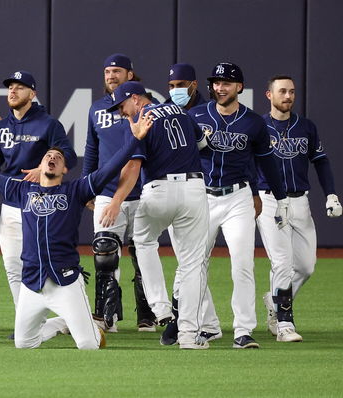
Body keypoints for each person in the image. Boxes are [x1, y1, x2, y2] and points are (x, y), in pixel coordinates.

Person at [0, 108, 154, 349]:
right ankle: (63, 322)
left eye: (58, 158)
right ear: (39, 165)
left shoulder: (76, 191)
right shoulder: (21, 190)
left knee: (89, 345)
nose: (52, 158)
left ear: (64, 169)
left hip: (66, 281)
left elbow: (110, 168)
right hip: (32, 282)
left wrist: (135, 139)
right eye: (48, 156)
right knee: (24, 343)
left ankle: (80, 322)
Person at [103, 81, 210, 349]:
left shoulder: (141, 119)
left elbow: (133, 167)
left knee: (144, 242)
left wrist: (117, 200)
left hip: (158, 189)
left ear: (137, 99)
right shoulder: (181, 111)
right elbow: (203, 143)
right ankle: (188, 335)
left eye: (122, 106)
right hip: (194, 189)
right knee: (192, 264)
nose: (121, 113)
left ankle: (161, 307)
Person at [189, 62, 289, 349]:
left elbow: (267, 162)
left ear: (239, 87)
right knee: (195, 264)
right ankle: (207, 326)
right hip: (202, 196)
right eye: (216, 83)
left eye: (226, 83)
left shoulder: (254, 122)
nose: (220, 87)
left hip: (238, 198)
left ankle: (243, 330)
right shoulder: (195, 115)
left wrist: (279, 198)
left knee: (242, 265)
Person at [0, 71, 77, 322]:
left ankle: (69, 314)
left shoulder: (49, 124)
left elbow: (68, 155)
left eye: (19, 87)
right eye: (10, 88)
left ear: (32, 94)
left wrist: (44, 167)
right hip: (10, 203)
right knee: (12, 266)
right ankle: (26, 321)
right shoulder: (3, 127)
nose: (13, 92)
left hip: (39, 204)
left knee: (45, 263)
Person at [257, 75, 341, 342]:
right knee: (281, 263)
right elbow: (246, 164)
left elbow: (321, 161)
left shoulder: (305, 127)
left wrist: (331, 195)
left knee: (306, 266)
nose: (288, 96)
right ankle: (284, 324)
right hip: (270, 200)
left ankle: (274, 299)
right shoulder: (258, 127)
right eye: (282, 91)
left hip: (300, 201)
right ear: (269, 95)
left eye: (292, 92)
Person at [82, 53, 155, 333]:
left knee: (141, 254)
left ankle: (146, 314)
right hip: (106, 191)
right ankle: (105, 315)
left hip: (143, 192)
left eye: (117, 71)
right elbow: (91, 149)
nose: (111, 76)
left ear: (130, 75)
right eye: (107, 72)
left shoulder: (149, 108)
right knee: (104, 253)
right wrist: (88, 186)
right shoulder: (96, 109)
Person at [161, 62, 209, 345]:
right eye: (171, 86)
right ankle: (183, 320)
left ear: (194, 84)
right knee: (189, 261)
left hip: (211, 187)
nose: (175, 90)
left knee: (194, 261)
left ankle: (187, 321)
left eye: (180, 85)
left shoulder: (210, 110)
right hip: (178, 190)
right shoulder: (166, 110)